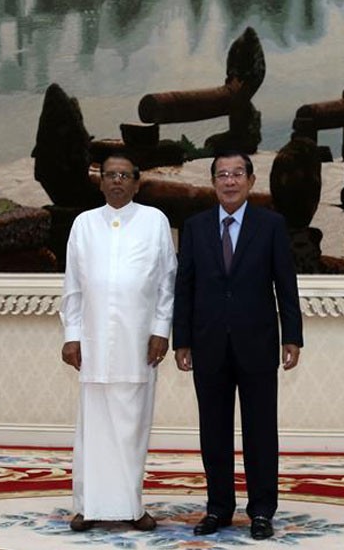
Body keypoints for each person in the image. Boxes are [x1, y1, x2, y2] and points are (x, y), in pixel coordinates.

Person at [173, 152, 303, 540]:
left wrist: (292, 335)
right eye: (222, 175)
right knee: (213, 431)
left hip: (258, 343)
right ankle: (218, 508)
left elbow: (286, 284)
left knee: (261, 431)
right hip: (208, 343)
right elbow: (185, 287)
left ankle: (262, 510)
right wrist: (182, 339)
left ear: (250, 180)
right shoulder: (195, 227)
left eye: (237, 174)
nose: (230, 181)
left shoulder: (271, 225)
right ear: (213, 181)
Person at [60, 154, 177, 532]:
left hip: (139, 344)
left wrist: (161, 330)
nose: (117, 181)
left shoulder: (154, 221)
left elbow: (166, 283)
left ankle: (131, 506)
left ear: (137, 183)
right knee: (91, 429)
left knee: (132, 427)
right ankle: (86, 507)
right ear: (100, 182)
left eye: (125, 175)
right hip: (92, 345)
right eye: (110, 175)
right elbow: (73, 286)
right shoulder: (84, 224)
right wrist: (71, 336)